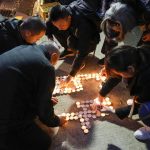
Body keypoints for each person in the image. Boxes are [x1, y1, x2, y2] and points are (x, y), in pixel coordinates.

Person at [0, 43, 66, 150]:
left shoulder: (23, 47)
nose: (54, 65)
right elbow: (43, 109)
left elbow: (26, 82)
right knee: (43, 142)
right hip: (5, 114)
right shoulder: (46, 66)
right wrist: (56, 121)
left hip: (6, 90)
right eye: (56, 61)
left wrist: (44, 98)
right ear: (54, 56)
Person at [98, 45, 150, 140]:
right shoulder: (135, 56)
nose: (119, 76)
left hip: (147, 95)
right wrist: (101, 94)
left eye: (120, 73)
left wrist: (116, 111)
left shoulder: (146, 80)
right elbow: (116, 77)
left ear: (130, 69)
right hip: (144, 91)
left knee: (145, 110)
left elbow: (143, 100)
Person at [46, 3, 101, 83]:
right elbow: (48, 24)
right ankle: (68, 50)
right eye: (57, 25)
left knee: (73, 44)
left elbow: (83, 48)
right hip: (74, 30)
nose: (60, 28)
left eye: (61, 25)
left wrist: (72, 74)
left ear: (69, 18)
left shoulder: (83, 26)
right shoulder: (60, 13)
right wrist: (50, 38)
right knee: (57, 31)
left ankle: (80, 62)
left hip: (90, 39)